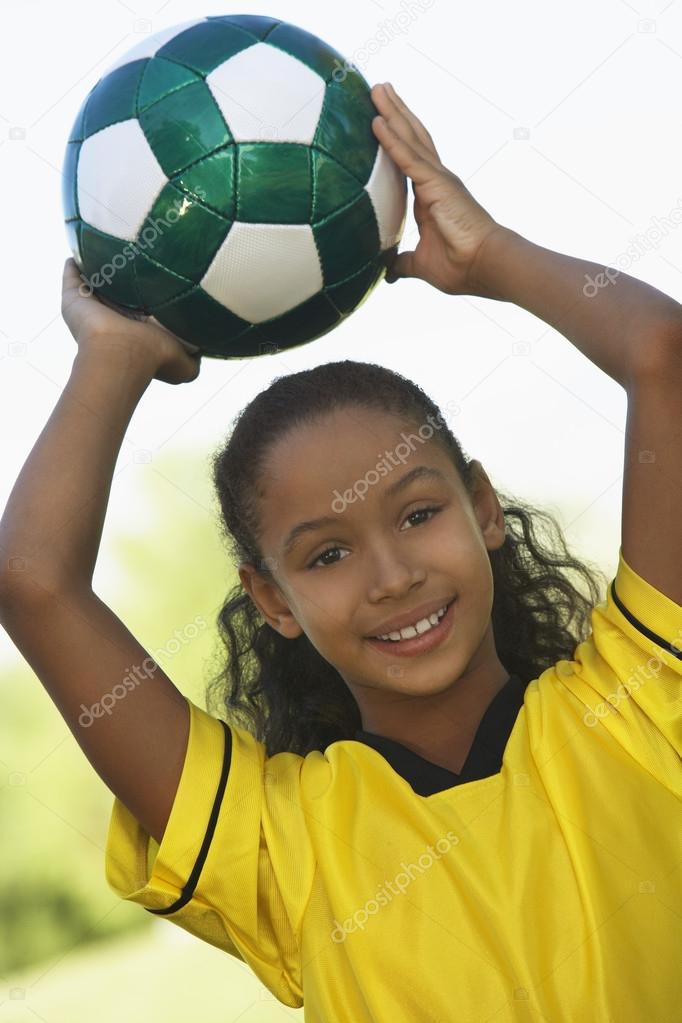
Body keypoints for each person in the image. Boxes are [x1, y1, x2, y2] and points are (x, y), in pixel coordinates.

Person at [1, 81, 680, 1021]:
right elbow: (34, 584)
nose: (393, 577)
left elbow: (664, 354)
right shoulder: (276, 841)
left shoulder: (640, 707)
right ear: (270, 599)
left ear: (483, 507)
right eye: (325, 556)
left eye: (417, 515)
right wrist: (110, 360)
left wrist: (493, 256)